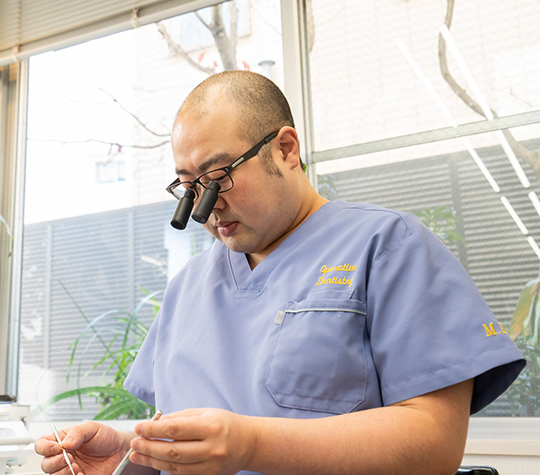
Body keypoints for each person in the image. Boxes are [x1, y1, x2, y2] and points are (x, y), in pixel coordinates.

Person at [36, 71, 525, 475]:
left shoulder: (387, 247)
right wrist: (128, 452)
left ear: (286, 149)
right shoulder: (189, 287)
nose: (206, 208)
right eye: (189, 188)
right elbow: (187, 436)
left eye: (218, 177)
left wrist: (252, 443)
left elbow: (434, 444)